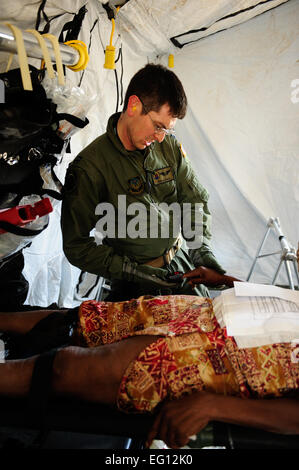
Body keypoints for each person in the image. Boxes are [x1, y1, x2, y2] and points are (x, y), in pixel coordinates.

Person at [1, 289, 298, 449]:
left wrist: (216, 406)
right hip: (217, 312)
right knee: (82, 320)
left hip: (217, 366)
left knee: (68, 369)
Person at [61, 63, 227, 301]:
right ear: (133, 105)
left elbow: (194, 198)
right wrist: (133, 271)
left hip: (181, 268)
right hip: (133, 286)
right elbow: (77, 246)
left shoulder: (167, 146)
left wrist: (201, 248)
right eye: (158, 126)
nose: (160, 137)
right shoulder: (90, 166)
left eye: (167, 130)